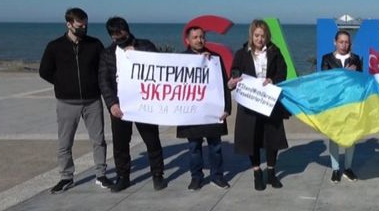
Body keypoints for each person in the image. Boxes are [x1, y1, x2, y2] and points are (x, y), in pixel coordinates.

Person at [39, 8, 112, 193]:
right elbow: (44, 71)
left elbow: (103, 68)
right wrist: (63, 84)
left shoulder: (94, 45)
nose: (84, 28)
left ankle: (101, 174)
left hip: (92, 100)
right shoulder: (54, 46)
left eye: (86, 24)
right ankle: (66, 177)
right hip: (66, 102)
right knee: (65, 143)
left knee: (98, 140)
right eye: (80, 25)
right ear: (69, 24)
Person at [99, 16, 167, 192]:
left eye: (120, 32)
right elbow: (104, 80)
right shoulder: (107, 53)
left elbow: (162, 67)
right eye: (113, 34)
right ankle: (123, 177)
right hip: (120, 106)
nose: (117, 36)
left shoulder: (145, 46)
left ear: (127, 30)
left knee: (152, 140)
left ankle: (158, 175)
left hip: (144, 103)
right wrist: (112, 104)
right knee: (120, 144)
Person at [229, 19, 288, 191]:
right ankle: (256, 172)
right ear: (251, 35)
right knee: (251, 138)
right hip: (249, 104)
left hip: (269, 102)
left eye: (263, 35)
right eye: (256, 35)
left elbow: (282, 72)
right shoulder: (241, 53)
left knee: (272, 138)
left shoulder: (275, 52)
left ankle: (271, 172)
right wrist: (234, 79)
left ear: (267, 36)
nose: (260, 39)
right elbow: (235, 71)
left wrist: (273, 79)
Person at [176, 26, 232, 191]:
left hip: (212, 112)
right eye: (195, 37)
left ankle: (217, 176)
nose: (199, 40)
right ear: (187, 40)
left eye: (201, 37)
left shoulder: (215, 58)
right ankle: (196, 177)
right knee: (194, 147)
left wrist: (227, 108)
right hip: (191, 113)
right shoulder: (180, 59)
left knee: (215, 147)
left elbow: (223, 84)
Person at [320, 30, 363, 183]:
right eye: (341, 42)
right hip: (334, 105)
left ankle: (348, 168)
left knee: (351, 137)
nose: (344, 45)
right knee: (334, 137)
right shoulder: (327, 58)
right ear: (335, 42)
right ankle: (335, 169)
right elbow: (326, 81)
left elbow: (360, 82)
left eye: (347, 42)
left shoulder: (356, 59)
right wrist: (345, 72)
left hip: (351, 103)